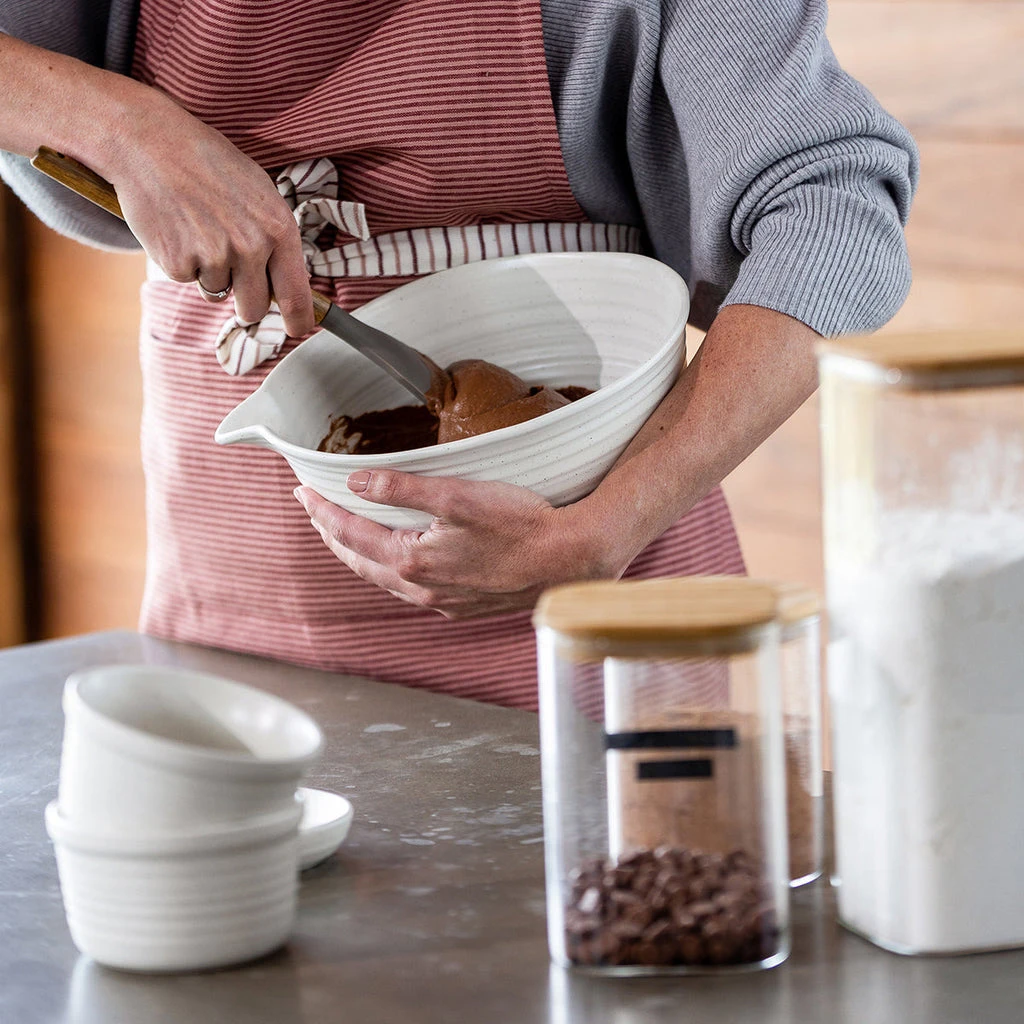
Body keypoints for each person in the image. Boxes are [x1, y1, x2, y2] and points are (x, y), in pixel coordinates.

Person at [0, 0, 917, 710]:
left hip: (588, 596)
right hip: (238, 598)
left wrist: (604, 531)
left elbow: (829, 210)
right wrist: (116, 124)